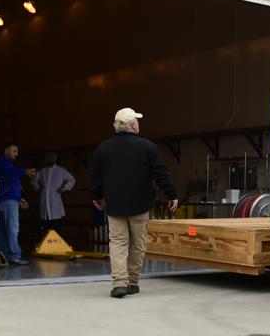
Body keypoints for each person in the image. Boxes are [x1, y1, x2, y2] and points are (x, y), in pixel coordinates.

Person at [90, 107, 177, 297]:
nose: (139, 123)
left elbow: (96, 177)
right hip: (140, 205)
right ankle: (132, 282)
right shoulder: (147, 147)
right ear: (132, 125)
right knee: (137, 244)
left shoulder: (103, 149)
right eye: (137, 121)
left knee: (118, 243)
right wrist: (172, 195)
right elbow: (161, 173)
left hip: (115, 206)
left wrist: (97, 196)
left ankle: (119, 283)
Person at [0, 143, 36, 266]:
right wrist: (25, 171)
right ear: (7, 151)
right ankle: (15, 255)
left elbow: (9, 185)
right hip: (7, 202)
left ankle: (6, 255)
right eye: (14, 151)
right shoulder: (3, 163)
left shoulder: (6, 167)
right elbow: (11, 172)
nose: (16, 154)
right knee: (12, 229)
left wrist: (19, 199)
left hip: (4, 200)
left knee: (3, 230)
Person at [32, 151, 75, 240]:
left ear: (55, 159)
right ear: (45, 159)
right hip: (44, 202)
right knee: (44, 226)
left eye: (52, 157)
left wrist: (64, 188)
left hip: (55, 203)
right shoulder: (42, 171)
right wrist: (38, 187)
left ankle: (61, 244)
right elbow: (34, 181)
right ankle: (44, 245)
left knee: (56, 226)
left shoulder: (60, 170)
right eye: (48, 157)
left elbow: (72, 179)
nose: (50, 159)